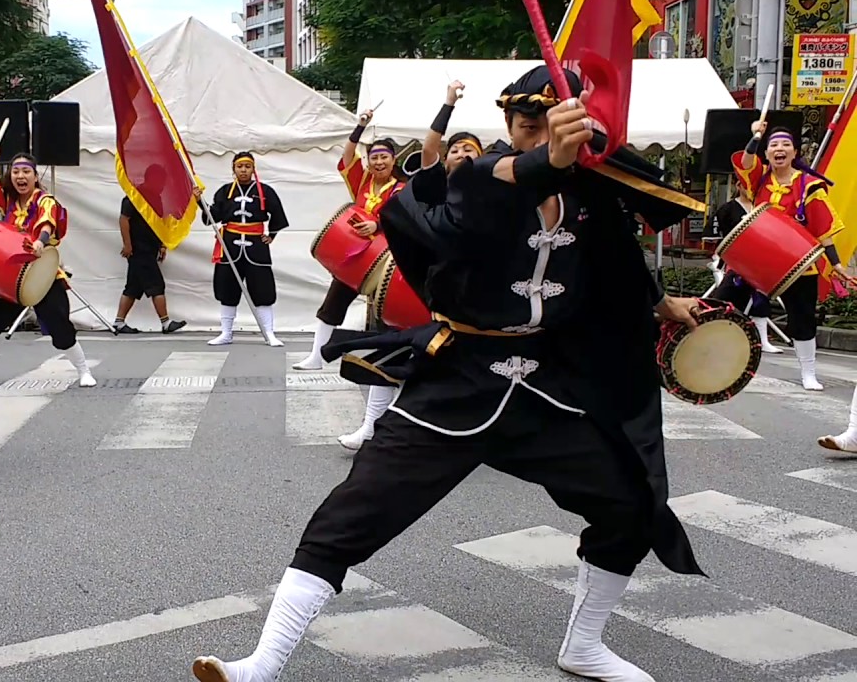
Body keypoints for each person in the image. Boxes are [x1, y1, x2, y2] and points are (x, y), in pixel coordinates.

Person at [190, 65, 705, 682]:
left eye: (554, 125)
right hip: (458, 380)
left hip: (546, 389)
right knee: (353, 515)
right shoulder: (476, 181)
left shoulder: (591, 199)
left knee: (630, 505)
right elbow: (478, 207)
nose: (540, 135)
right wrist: (548, 161)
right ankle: (261, 665)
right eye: (529, 125)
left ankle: (584, 646)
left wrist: (662, 304)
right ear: (511, 127)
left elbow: (618, 264)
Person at [339, 80, 480, 450]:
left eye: (471, 150)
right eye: (458, 149)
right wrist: (447, 103)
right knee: (392, 354)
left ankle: (469, 432)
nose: (463, 154)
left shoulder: (493, 190)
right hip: (416, 284)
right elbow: (430, 145)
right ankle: (370, 426)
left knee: (458, 365)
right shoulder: (434, 185)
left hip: (470, 293)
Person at [0, 145, 97, 388]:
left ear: (34, 175)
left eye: (25, 171)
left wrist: (40, 243)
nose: (20, 176)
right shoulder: (6, 199)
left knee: (60, 325)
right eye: (15, 171)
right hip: (11, 274)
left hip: (43, 274)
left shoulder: (45, 200)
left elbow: (47, 225)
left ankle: (84, 371)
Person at [727, 123, 851, 390]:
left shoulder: (809, 186)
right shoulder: (759, 179)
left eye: (785, 145)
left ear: (794, 152)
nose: (779, 149)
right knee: (720, 301)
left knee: (802, 318)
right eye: (773, 145)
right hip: (757, 260)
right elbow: (745, 163)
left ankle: (808, 372)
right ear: (767, 153)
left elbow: (823, 230)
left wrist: (836, 263)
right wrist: (756, 136)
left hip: (797, 264)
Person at [292, 112, 406, 370]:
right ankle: (316, 357)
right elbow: (347, 156)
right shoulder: (363, 183)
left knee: (386, 316)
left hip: (386, 262)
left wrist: (377, 225)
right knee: (331, 306)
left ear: (393, 160)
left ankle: (385, 363)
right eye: (374, 158)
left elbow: (406, 221)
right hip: (355, 258)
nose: (378, 162)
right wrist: (360, 126)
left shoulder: (401, 189)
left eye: (383, 157)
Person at [201, 151, 289, 346]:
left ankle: (269, 333)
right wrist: (200, 202)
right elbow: (212, 216)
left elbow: (278, 215)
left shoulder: (265, 191)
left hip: (256, 246)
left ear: (253, 169)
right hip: (229, 245)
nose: (243, 170)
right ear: (233, 169)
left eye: (247, 166)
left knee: (263, 289)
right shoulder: (224, 191)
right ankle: (226, 333)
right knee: (227, 289)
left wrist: (271, 235)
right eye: (240, 166)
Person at [708, 179, 782, 353]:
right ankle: (717, 333)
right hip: (736, 261)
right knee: (726, 295)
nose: (749, 189)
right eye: (745, 184)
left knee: (761, 296)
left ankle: (762, 339)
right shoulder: (727, 209)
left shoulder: (764, 207)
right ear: (738, 186)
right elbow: (717, 238)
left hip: (761, 260)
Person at [115, 165, 187, 334]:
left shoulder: (157, 198)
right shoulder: (134, 196)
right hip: (139, 250)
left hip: (151, 248)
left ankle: (119, 322)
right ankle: (165, 322)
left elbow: (159, 224)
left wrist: (162, 245)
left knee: (133, 288)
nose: (162, 185)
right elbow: (124, 219)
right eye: (159, 181)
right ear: (150, 179)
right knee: (156, 285)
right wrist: (127, 244)